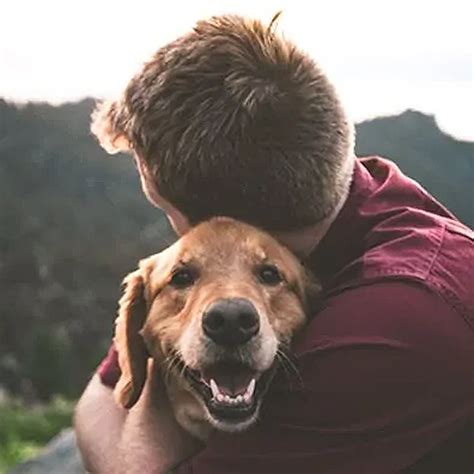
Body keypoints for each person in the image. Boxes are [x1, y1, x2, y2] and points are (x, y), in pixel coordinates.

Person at [74, 14, 473, 474]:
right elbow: (99, 399)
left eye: (163, 206)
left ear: (224, 219)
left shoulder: (397, 320)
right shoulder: (336, 195)